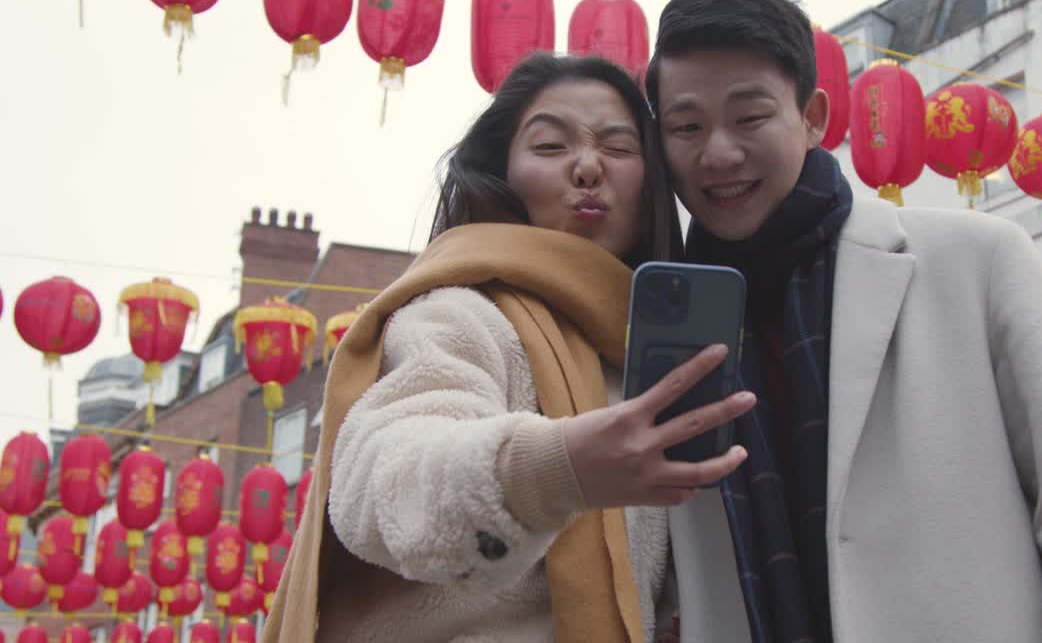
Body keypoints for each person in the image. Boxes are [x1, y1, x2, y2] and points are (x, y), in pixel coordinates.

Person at [644, 0, 1042, 643]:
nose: (718, 152)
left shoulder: (978, 261)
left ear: (814, 117)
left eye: (749, 117)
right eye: (686, 126)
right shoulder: (668, 328)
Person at [261, 53, 755, 643]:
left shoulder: (644, 356)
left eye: (620, 148)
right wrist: (552, 469)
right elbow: (381, 480)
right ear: (502, 173)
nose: (589, 166)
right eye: (551, 147)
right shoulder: (462, 310)